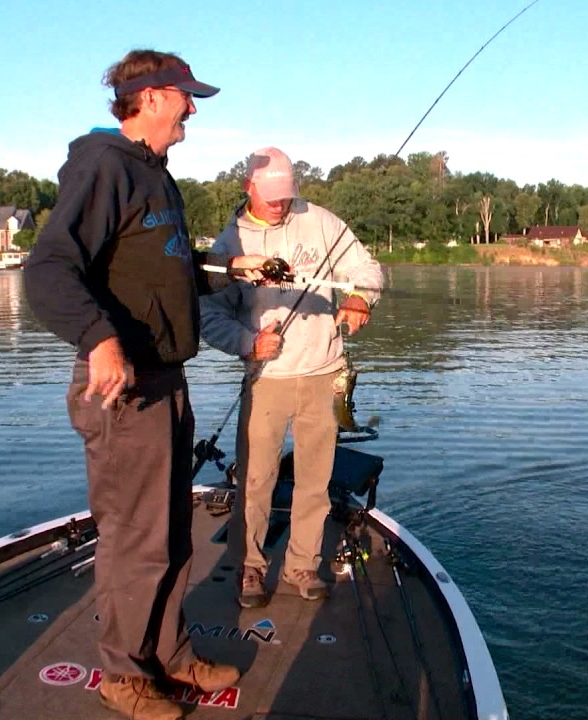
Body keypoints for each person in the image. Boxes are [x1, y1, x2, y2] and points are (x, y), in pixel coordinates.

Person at [24, 49, 275, 720]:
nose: (193, 108)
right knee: (135, 537)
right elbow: (48, 269)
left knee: (170, 533)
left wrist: (225, 270)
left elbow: (156, 269)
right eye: (186, 96)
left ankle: (168, 653)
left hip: (166, 382)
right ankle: (123, 675)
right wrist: (98, 339)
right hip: (125, 388)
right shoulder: (102, 166)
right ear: (154, 97)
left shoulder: (155, 175)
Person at [200, 146, 383, 607]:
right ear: (249, 188)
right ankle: (250, 567)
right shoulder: (230, 242)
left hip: (324, 372)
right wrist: (247, 343)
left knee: (315, 481)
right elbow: (208, 314)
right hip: (267, 379)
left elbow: (366, 268)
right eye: (271, 196)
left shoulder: (320, 221)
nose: (280, 204)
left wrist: (360, 297)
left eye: (286, 194)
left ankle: (302, 564)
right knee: (254, 480)